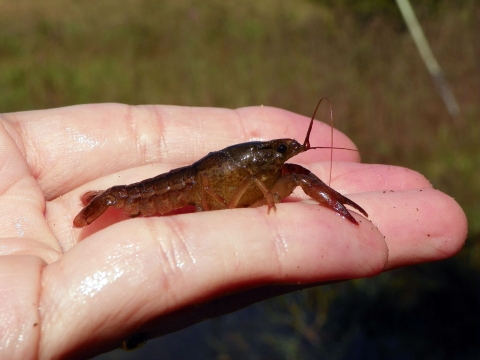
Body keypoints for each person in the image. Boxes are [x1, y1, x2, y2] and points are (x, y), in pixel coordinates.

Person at [0, 103, 467, 359]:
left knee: (298, 177)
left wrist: (278, 165)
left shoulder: (279, 165)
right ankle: (112, 199)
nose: (290, 154)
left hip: (198, 184)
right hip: (166, 190)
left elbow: (294, 172)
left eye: (283, 150)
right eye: (281, 150)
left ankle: (112, 198)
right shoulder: (235, 176)